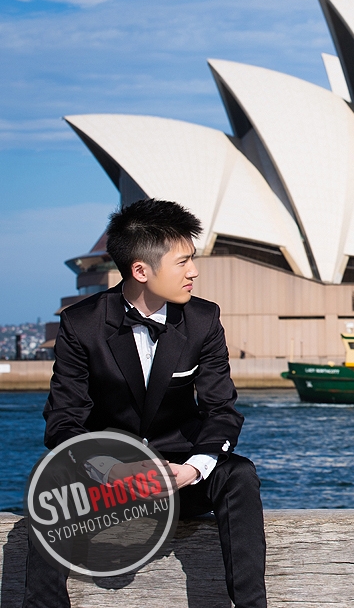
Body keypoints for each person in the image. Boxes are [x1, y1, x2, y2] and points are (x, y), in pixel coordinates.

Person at [25, 199, 267, 608]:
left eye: (192, 259)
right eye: (182, 262)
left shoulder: (203, 320)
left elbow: (221, 410)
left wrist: (192, 469)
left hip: (179, 476)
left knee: (239, 475)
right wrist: (111, 469)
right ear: (141, 270)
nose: (194, 272)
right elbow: (63, 421)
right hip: (106, 483)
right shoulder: (81, 324)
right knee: (49, 480)